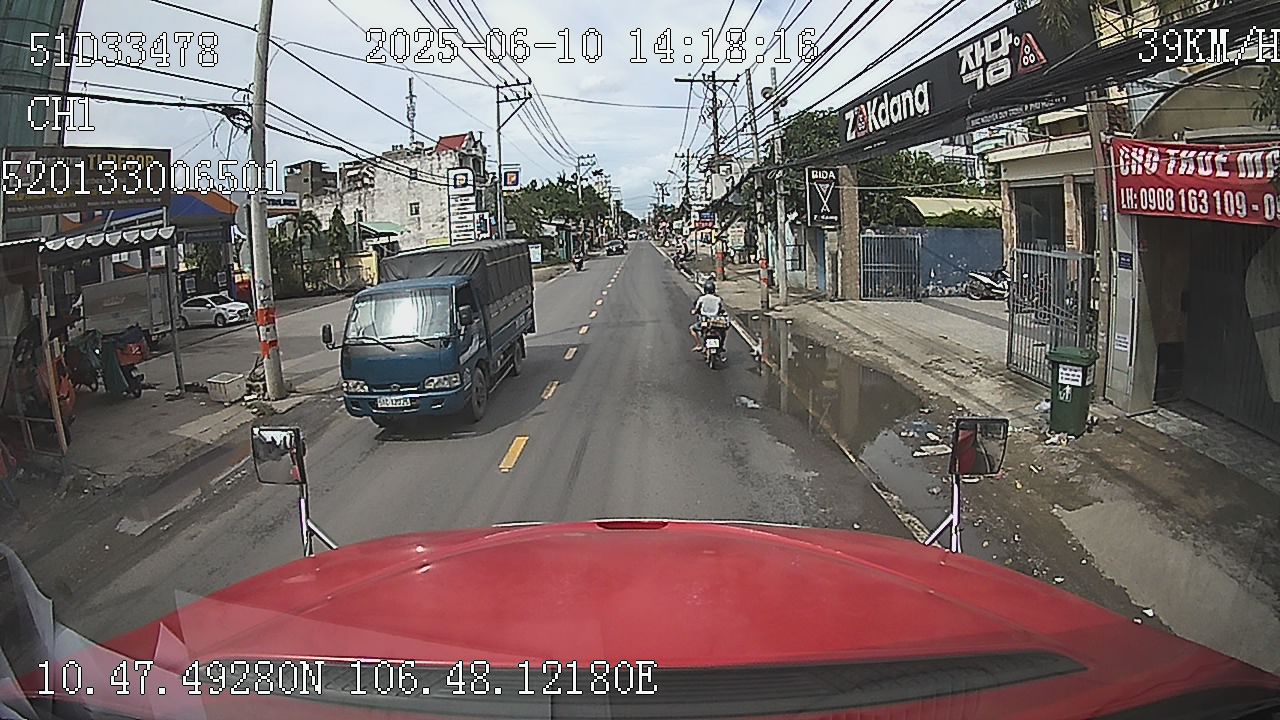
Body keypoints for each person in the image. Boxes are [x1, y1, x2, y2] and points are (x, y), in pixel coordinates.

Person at [689, 279, 723, 352]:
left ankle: (699, 345)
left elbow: (697, 308)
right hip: (714, 321)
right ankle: (721, 346)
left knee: (692, 328)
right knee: (722, 331)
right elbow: (720, 309)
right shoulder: (718, 299)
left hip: (704, 320)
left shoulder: (702, 298)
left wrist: (694, 311)